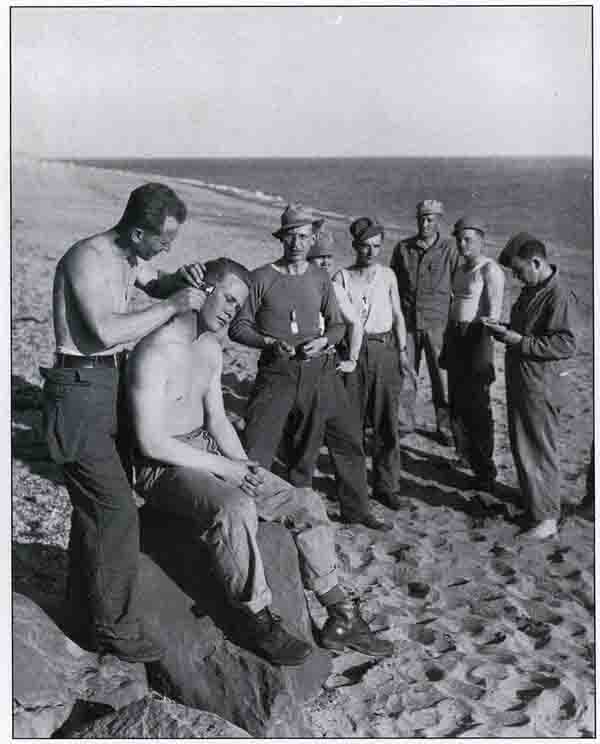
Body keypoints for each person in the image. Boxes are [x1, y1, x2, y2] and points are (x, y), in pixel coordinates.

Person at [126, 258, 394, 666]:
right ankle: (256, 617)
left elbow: (216, 418)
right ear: (203, 293)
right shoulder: (154, 352)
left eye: (239, 306)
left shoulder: (209, 348)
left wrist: (242, 465)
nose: (234, 312)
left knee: (305, 502)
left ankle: (340, 612)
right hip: (160, 464)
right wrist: (226, 471)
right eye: (228, 300)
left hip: (204, 449)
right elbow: (149, 442)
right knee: (235, 507)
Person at [41, 183, 207, 662]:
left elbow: (155, 284)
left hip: (105, 386)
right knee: (114, 510)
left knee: (94, 509)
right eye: (162, 241)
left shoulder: (131, 257)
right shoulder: (87, 258)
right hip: (78, 388)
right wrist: (175, 308)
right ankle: (114, 630)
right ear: (137, 232)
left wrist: (179, 278)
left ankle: (81, 609)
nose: (166, 248)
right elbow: (106, 330)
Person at [230, 205, 387, 531]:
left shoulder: (319, 278)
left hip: (321, 371)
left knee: (345, 440)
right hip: (277, 374)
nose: (297, 243)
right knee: (257, 446)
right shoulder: (262, 277)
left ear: (312, 238)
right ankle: (249, 515)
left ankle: (356, 510)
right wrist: (269, 343)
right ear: (282, 238)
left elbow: (337, 325)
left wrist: (324, 341)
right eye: (291, 236)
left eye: (303, 237)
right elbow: (238, 326)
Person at [488, 232, 577, 539]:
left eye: (519, 270)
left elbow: (566, 343)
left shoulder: (557, 294)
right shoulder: (534, 289)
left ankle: (546, 518)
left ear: (537, 262)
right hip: (525, 380)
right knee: (524, 446)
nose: (516, 277)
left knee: (539, 449)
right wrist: (505, 331)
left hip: (542, 384)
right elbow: (530, 332)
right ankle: (534, 505)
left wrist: (520, 342)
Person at [332, 218, 413, 509]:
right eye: (365, 246)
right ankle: (353, 488)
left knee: (386, 423)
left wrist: (403, 352)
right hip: (352, 353)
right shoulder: (341, 277)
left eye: (376, 246)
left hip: (385, 350)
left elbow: (398, 314)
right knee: (350, 424)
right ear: (355, 246)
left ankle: (386, 486)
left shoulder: (388, 275)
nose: (371, 252)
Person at [440, 216, 505, 490]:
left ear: (482, 240)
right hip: (455, 335)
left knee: (477, 404)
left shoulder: (489, 270)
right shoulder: (460, 268)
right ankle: (465, 456)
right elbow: (455, 305)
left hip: (476, 338)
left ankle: (485, 470)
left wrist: (476, 343)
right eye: (459, 238)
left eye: (468, 239)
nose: (462, 243)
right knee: (456, 401)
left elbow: (494, 314)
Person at [391, 199, 459, 442]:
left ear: (439, 220)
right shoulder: (403, 248)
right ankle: (403, 424)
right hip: (408, 323)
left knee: (442, 379)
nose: (425, 223)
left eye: (430, 219)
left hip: (437, 324)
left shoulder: (450, 249)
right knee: (405, 373)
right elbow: (395, 286)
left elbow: (459, 286)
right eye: (421, 218)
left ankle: (446, 428)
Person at [306, 230, 363, 374]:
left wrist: (352, 360)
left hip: (324, 360)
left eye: (329, 256)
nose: (326, 262)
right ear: (307, 259)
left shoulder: (335, 289)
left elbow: (355, 323)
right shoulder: (294, 284)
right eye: (320, 257)